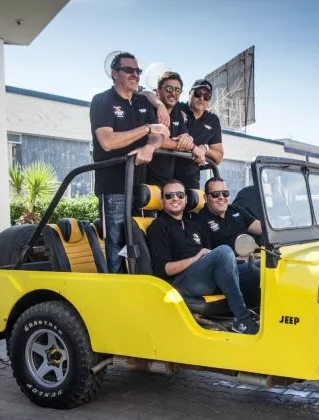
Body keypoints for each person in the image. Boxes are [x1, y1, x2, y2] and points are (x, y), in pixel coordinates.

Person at [90, 51, 169, 273]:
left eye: (138, 71)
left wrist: (150, 146)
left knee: (143, 242)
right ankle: (115, 293)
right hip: (114, 186)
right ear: (114, 73)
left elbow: (159, 134)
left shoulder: (144, 101)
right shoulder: (102, 101)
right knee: (116, 245)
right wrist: (146, 129)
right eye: (129, 70)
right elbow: (107, 141)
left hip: (141, 186)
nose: (135, 75)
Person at [146, 181, 258, 334]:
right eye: (169, 196)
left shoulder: (194, 225)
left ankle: (263, 315)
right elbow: (164, 269)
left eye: (179, 195)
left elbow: (212, 256)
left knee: (259, 267)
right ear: (162, 200)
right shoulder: (158, 226)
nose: (175, 199)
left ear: (186, 199)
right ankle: (242, 319)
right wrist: (195, 259)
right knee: (224, 251)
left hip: (203, 276)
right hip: (180, 283)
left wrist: (235, 260)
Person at [195, 178, 262, 307]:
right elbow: (209, 257)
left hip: (250, 259)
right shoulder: (201, 221)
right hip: (228, 269)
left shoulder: (235, 210)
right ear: (205, 197)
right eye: (215, 194)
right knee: (264, 272)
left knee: (278, 265)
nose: (221, 198)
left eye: (225, 193)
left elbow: (261, 228)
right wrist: (239, 259)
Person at [144, 71, 195, 187]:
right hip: (147, 181)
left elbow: (184, 138)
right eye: (168, 89)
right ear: (158, 90)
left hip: (168, 183)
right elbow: (143, 92)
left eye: (177, 90)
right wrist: (160, 106)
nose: (173, 93)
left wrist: (188, 140)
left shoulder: (177, 110)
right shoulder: (148, 106)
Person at [177, 79, 224, 189]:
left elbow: (219, 157)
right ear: (190, 94)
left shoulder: (213, 120)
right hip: (165, 176)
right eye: (198, 94)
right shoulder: (176, 108)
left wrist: (205, 149)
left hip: (191, 181)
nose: (202, 99)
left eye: (206, 96)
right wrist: (160, 107)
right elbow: (152, 96)